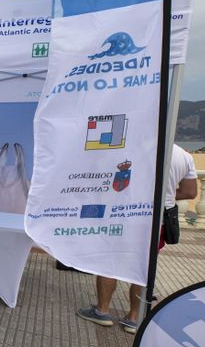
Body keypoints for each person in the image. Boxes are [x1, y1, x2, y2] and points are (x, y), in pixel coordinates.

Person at [76, 143, 197, 334]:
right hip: (159, 220)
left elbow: (116, 186)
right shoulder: (183, 155)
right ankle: (134, 318)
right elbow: (190, 192)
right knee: (144, 266)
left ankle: (102, 310)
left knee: (110, 262)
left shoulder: (131, 149)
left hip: (126, 214)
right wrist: (164, 195)